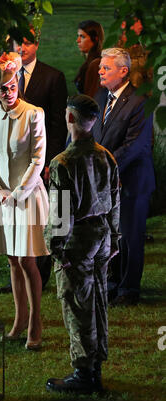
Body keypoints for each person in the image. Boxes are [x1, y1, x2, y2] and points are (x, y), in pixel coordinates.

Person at [45, 94, 120, 393]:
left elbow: (60, 213)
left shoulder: (63, 162)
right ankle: (95, 365)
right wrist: (115, 237)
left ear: (70, 118)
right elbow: (115, 201)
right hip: (102, 235)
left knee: (77, 305)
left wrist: (55, 248)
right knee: (98, 302)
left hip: (77, 240)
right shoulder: (106, 155)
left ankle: (84, 373)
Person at [0, 25, 68, 293]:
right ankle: (17, 272)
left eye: (27, 43)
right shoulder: (2, 77)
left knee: (42, 219)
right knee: (15, 221)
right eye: (17, 43)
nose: (21, 48)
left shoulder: (53, 77)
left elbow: (58, 124)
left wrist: (51, 161)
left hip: (41, 160)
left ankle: (42, 271)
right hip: (13, 162)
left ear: (36, 45)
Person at [0, 52, 49, 350]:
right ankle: (19, 318)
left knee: (27, 259)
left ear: (17, 85)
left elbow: (38, 159)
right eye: (3, 89)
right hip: (3, 197)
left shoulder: (34, 113)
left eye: (12, 87)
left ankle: (36, 321)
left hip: (27, 196)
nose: (8, 93)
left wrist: (17, 194)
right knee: (11, 258)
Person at [93, 47, 155, 306]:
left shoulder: (140, 101)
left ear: (123, 71)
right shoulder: (100, 97)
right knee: (111, 235)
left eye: (105, 68)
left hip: (132, 181)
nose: (100, 72)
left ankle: (129, 288)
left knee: (130, 236)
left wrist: (103, 165)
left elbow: (136, 145)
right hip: (108, 181)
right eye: (100, 68)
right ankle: (113, 283)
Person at [74, 20, 104, 98]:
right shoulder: (90, 62)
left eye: (82, 37)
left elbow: (91, 97)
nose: (78, 40)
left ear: (95, 39)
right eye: (78, 36)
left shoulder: (96, 64)